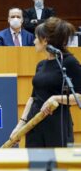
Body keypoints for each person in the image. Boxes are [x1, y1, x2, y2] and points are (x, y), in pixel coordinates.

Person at [10, 17, 81, 147]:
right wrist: (21, 125)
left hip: (57, 126)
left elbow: (79, 97)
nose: (34, 41)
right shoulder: (41, 65)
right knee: (35, 166)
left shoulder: (69, 62)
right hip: (35, 125)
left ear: (45, 41)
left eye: (36, 37)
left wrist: (56, 98)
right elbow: (33, 98)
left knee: (58, 166)